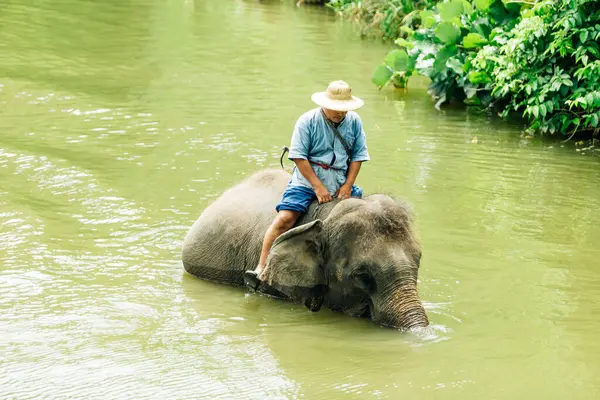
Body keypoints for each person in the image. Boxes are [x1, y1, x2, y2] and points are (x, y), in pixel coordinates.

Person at [243, 80, 370, 290]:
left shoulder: (354, 121)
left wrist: (348, 185)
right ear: (325, 104)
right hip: (307, 181)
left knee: (367, 221)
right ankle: (261, 267)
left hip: (339, 180)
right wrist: (318, 187)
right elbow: (299, 157)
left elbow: (358, 156)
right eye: (337, 109)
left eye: (344, 109)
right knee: (285, 219)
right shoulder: (307, 121)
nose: (341, 113)